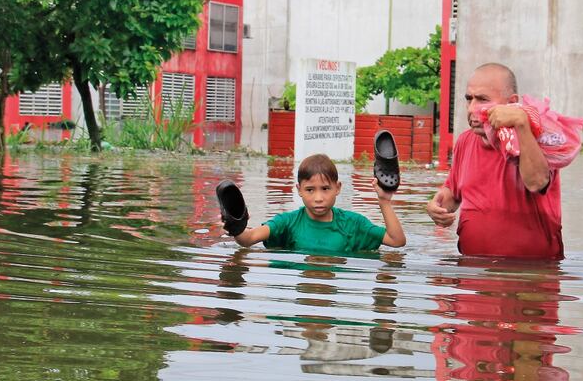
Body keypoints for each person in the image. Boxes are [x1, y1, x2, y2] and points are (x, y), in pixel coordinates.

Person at [426, 63, 564, 259]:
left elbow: (537, 181)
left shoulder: (538, 139)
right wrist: (437, 206)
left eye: (482, 100)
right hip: (472, 269)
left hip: (532, 272)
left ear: (512, 103)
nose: (472, 109)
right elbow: (453, 193)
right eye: (469, 99)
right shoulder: (465, 141)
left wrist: (522, 123)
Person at [229, 153, 406, 252]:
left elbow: (396, 241)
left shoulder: (353, 224)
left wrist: (384, 201)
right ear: (299, 189)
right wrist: (236, 224)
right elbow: (248, 239)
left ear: (337, 188)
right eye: (310, 190)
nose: (319, 198)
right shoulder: (288, 222)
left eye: (325, 188)